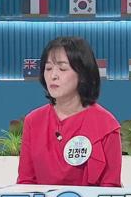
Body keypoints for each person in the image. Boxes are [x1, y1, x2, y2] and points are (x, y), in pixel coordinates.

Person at [17, 36, 122, 187]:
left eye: (62, 68)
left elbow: (110, 187)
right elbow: (26, 182)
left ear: (83, 74)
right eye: (48, 68)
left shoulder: (106, 125)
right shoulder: (33, 121)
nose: (53, 76)